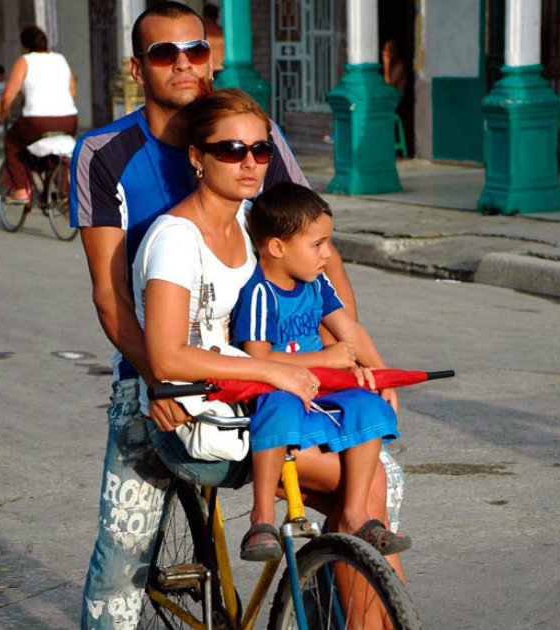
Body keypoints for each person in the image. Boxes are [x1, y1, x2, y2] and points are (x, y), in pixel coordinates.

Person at [69, 4, 368, 628]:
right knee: (123, 556)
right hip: (160, 377)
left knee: (369, 483)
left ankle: (343, 604)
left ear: (213, 57)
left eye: (196, 50)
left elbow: (316, 247)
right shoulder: (105, 153)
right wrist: (159, 380)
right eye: (164, 53)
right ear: (136, 66)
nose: (184, 64)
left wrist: (353, 345)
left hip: (257, 373)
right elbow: (110, 294)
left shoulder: (258, 139)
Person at [231, 181, 408, 562]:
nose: (327, 254)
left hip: (318, 387)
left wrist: (380, 372)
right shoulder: (262, 293)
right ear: (277, 247)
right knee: (278, 407)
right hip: (278, 388)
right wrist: (325, 360)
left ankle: (357, 513)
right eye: (317, 244)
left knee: (367, 405)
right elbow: (257, 359)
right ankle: (262, 515)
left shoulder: (316, 285)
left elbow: (349, 331)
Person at [0, 26, 78, 202]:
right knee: (58, 150)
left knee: (12, 142)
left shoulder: (25, 60)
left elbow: (8, 95)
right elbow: (72, 91)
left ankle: (20, 190)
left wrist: (3, 113)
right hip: (68, 120)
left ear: (26, 47)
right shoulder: (60, 59)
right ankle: (64, 193)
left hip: (37, 121)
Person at [203, 3, 225, 73]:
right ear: (217, 16)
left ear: (204, 16)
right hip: (223, 68)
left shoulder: (202, 32)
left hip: (209, 69)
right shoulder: (223, 32)